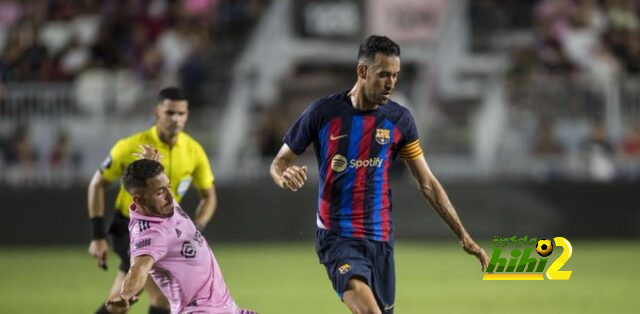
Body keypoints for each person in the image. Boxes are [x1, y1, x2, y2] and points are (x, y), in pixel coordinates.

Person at [269, 35, 489, 313]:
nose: (391, 83)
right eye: (384, 74)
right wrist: (283, 174)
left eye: (395, 75)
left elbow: (428, 184)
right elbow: (279, 163)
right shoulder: (322, 113)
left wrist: (463, 235)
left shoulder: (400, 120)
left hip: (381, 239)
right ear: (362, 71)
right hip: (338, 238)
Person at [88, 87, 217, 314]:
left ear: (187, 115)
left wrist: (196, 229)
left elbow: (209, 197)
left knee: (119, 303)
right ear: (156, 112)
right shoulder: (129, 146)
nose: (176, 119)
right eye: (170, 113)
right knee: (162, 297)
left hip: (166, 231)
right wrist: (97, 235)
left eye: (181, 113)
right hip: (131, 228)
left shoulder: (194, 151)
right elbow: (97, 184)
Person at [105, 159, 254, 314]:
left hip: (227, 308)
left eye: (168, 186)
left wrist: (151, 161)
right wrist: (126, 294)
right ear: (139, 200)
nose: (170, 196)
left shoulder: (161, 205)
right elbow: (139, 268)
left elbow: (157, 185)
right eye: (160, 191)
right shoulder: (150, 233)